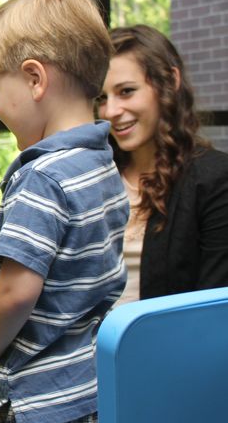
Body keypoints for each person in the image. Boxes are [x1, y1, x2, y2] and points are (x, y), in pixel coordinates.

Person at [0, 0, 129, 423]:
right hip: (91, 384)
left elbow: (16, 292)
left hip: (40, 396)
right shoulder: (101, 163)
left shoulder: (42, 176)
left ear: (35, 79)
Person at [96, 24, 228, 304]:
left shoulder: (214, 178)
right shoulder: (95, 176)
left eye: (127, 91)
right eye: (101, 98)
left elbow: (213, 305)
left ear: (170, 81)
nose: (111, 111)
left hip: (171, 346)